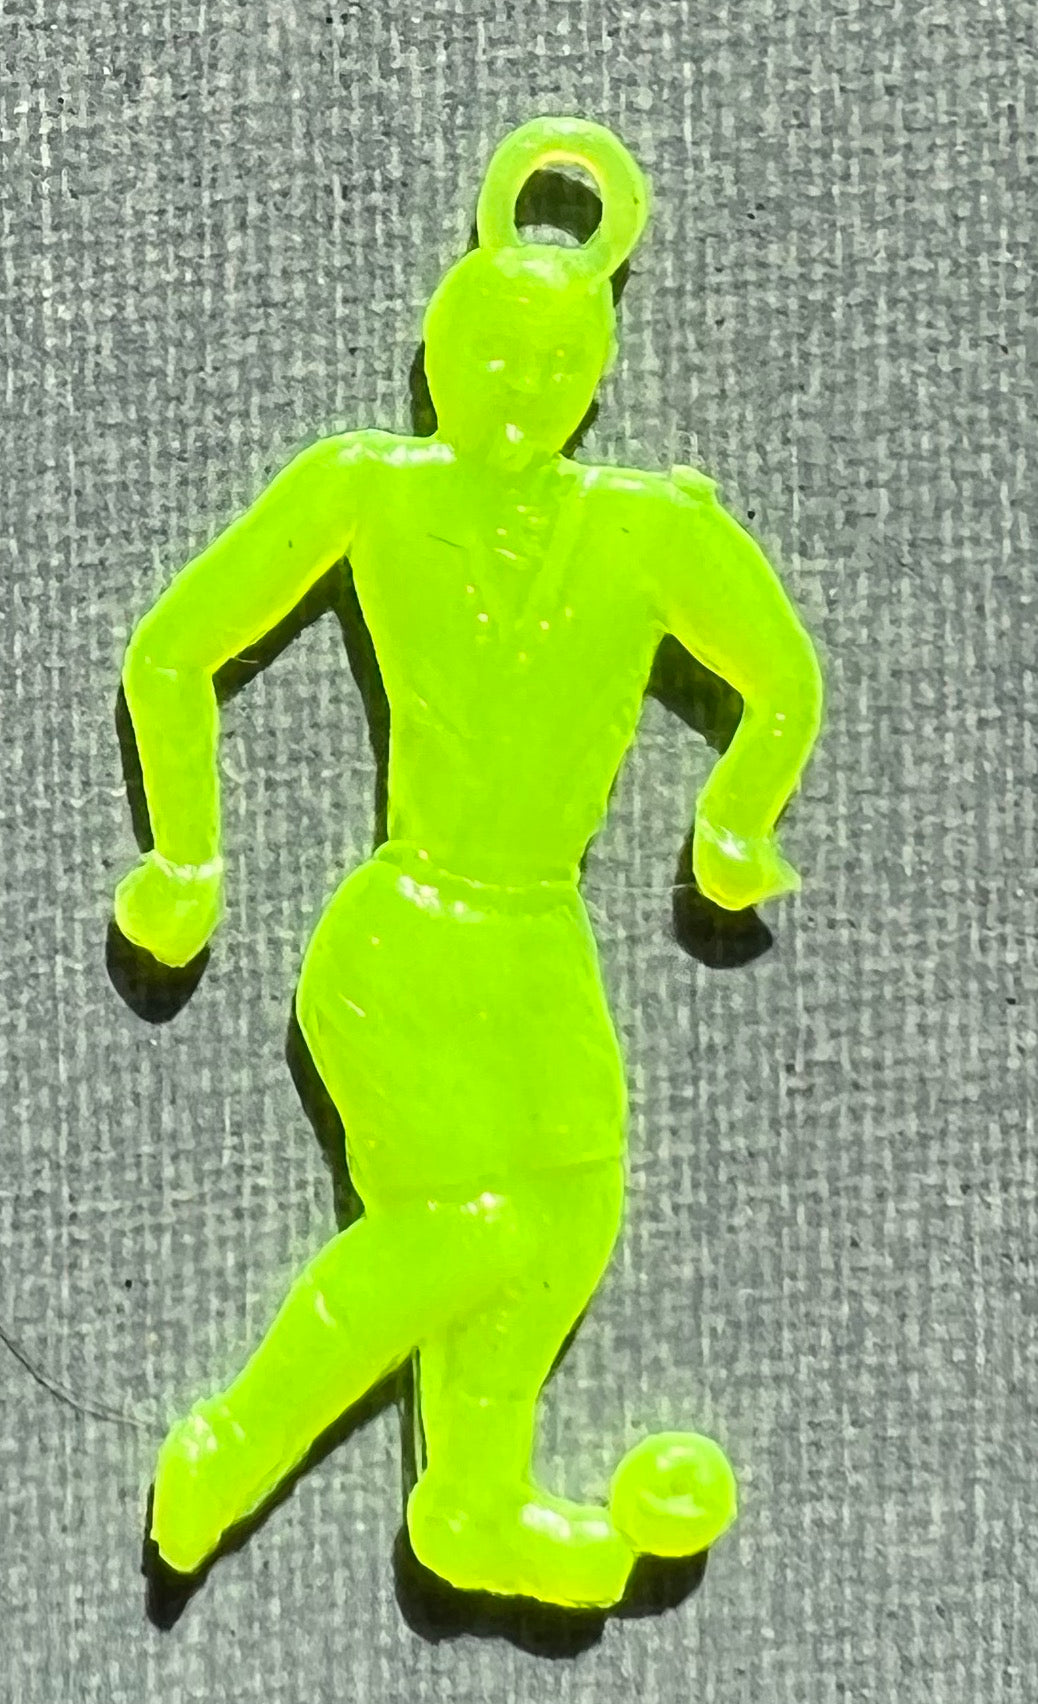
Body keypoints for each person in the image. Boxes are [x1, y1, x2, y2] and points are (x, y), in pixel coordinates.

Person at [115, 116, 823, 1608]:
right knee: (476, 1226)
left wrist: (734, 820)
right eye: (491, 353)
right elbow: (171, 652)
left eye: (557, 365)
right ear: (436, 351)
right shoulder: (370, 486)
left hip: (537, 936)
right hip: (401, 938)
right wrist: (185, 860)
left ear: (596, 378)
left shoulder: (649, 526)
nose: (522, 386)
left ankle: (472, 1504)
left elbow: (783, 681)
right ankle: (238, 1441)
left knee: (573, 1207)